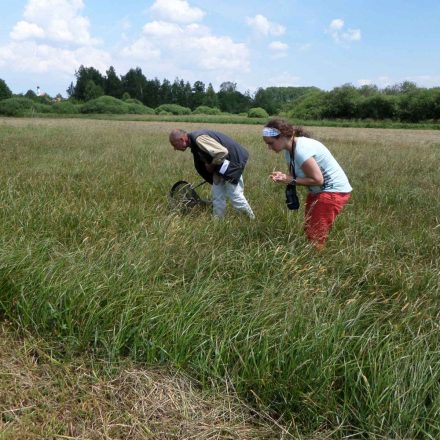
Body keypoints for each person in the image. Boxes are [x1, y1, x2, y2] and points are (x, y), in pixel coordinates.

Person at [262, 118, 352, 249]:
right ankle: (316, 258)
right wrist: (285, 177)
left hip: (332, 191)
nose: (269, 148)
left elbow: (317, 179)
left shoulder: (301, 149)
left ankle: (319, 263)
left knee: (316, 233)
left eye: (271, 143)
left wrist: (289, 179)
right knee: (311, 228)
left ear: (282, 137)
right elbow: (297, 177)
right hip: (318, 191)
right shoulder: (289, 151)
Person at [169, 128, 255, 219]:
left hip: (232, 164)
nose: (175, 148)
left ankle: (251, 220)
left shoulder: (199, 139)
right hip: (221, 168)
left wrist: (211, 165)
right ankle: (218, 222)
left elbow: (222, 152)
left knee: (235, 195)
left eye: (174, 145)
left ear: (182, 140)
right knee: (217, 197)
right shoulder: (194, 143)